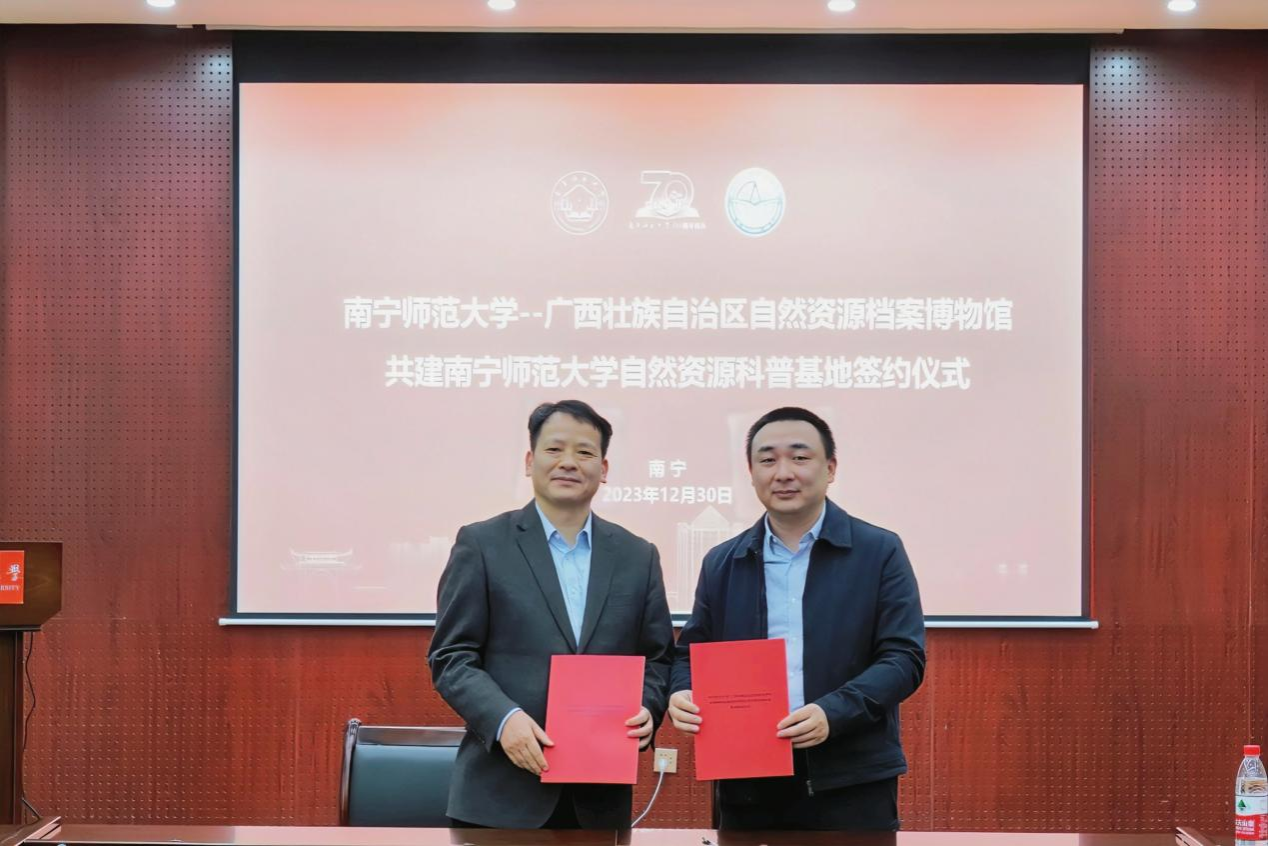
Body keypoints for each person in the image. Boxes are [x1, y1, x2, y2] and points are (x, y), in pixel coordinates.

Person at [667, 406, 925, 831]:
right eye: (768, 460)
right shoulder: (722, 561)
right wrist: (682, 691)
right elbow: (689, 654)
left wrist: (833, 712)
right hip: (747, 777)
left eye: (800, 457)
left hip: (851, 777)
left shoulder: (879, 551)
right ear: (751, 473)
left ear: (830, 468)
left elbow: (903, 658)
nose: (783, 473)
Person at [428, 400, 674, 829]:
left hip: (599, 798)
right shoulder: (482, 544)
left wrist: (648, 708)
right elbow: (451, 656)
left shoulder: (637, 555)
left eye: (584, 452)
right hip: (499, 795)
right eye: (554, 449)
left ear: (603, 468)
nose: (568, 462)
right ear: (530, 462)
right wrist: (504, 720)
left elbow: (658, 657)